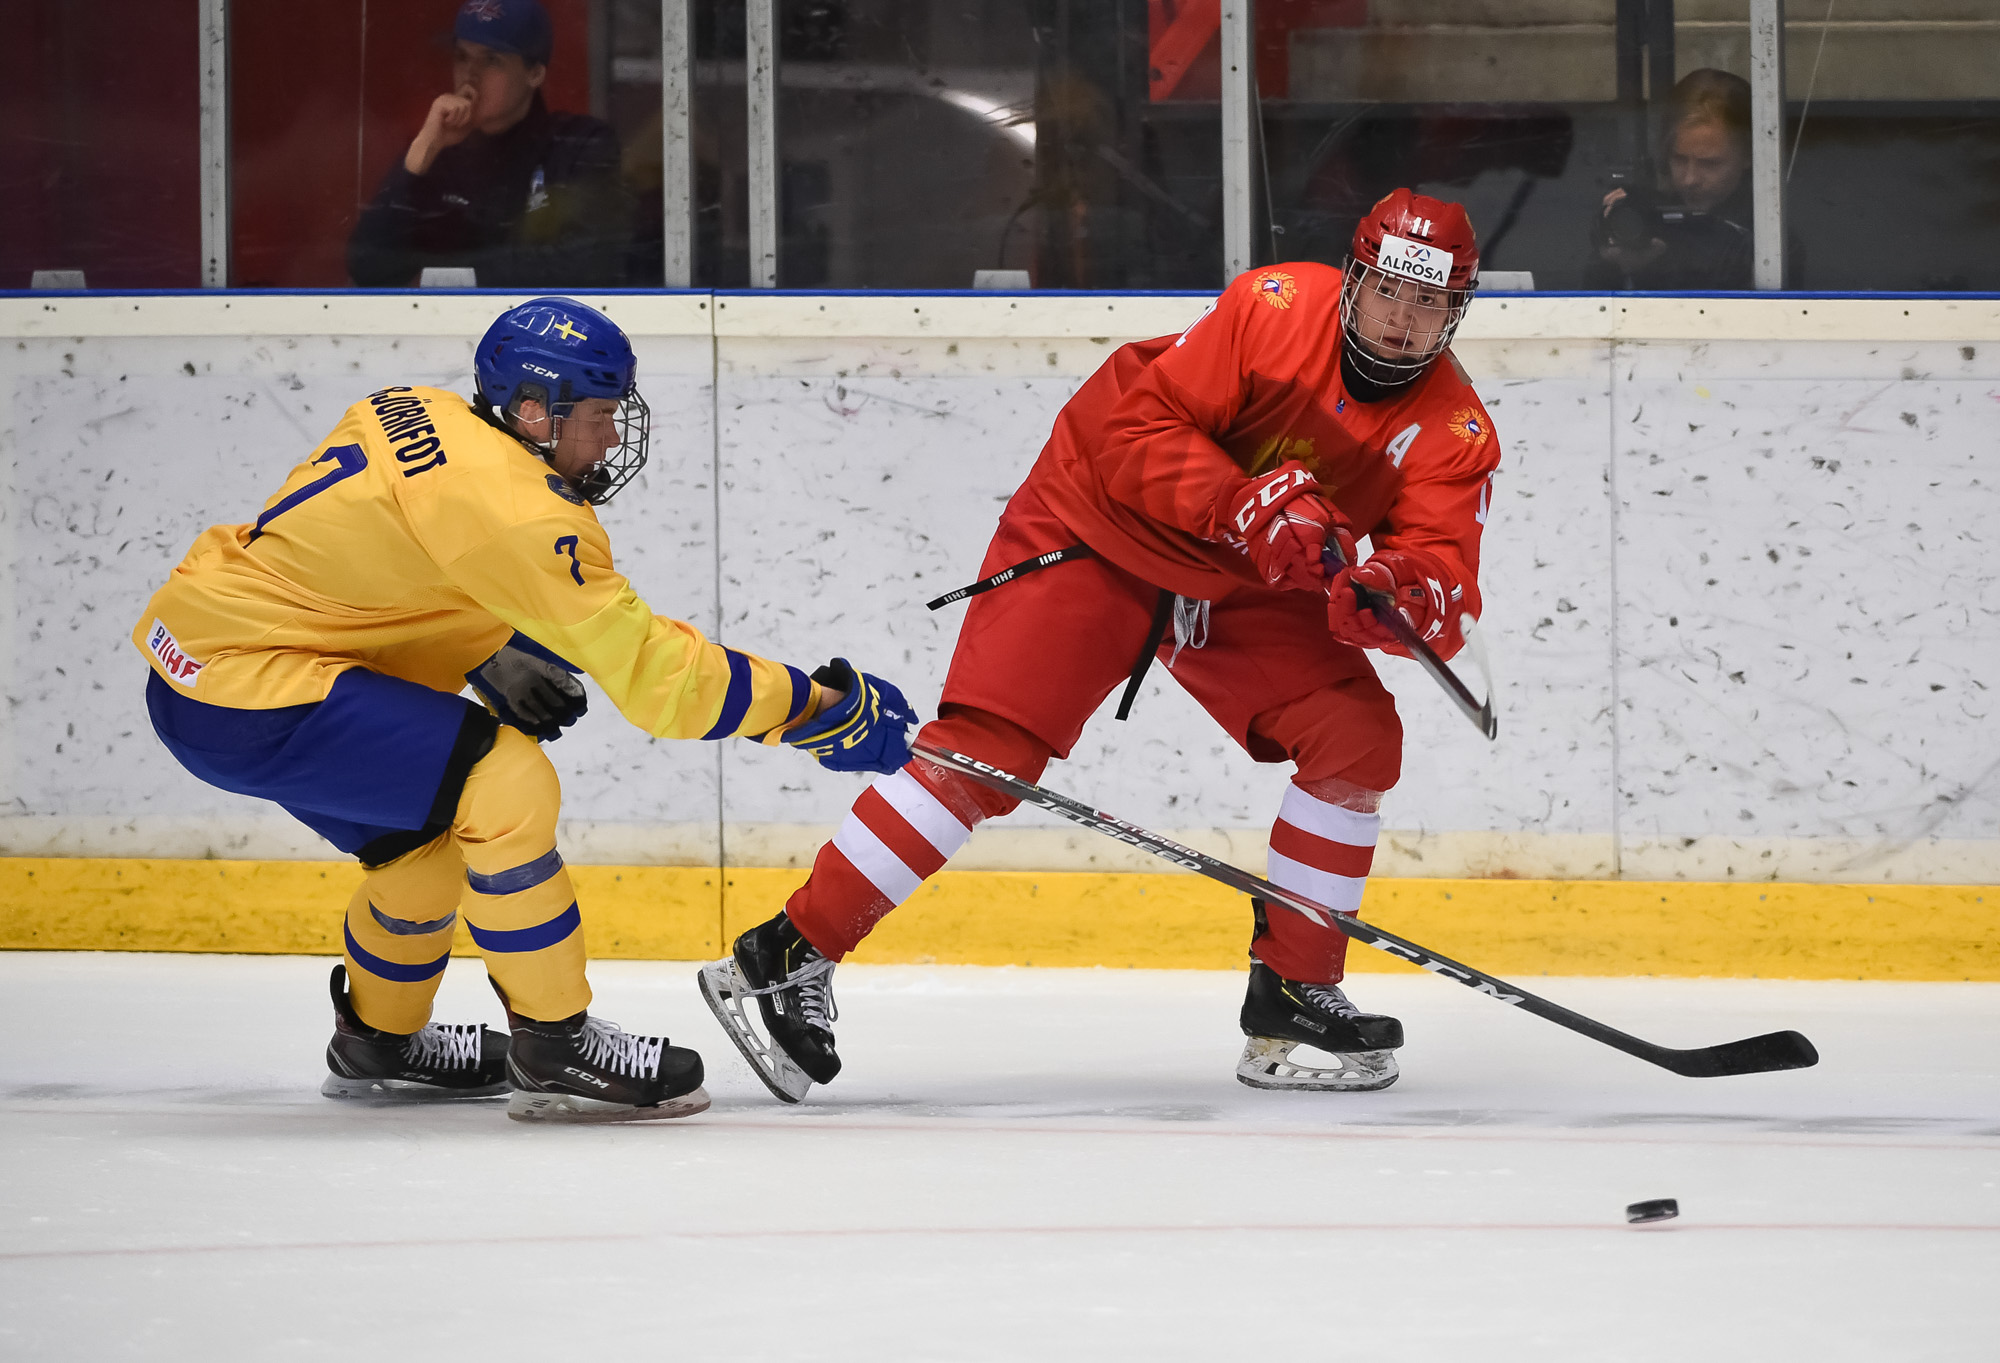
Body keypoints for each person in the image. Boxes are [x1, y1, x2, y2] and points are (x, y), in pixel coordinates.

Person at [699, 189, 1502, 1101]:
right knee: (985, 754)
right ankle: (789, 952)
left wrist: (1397, 592)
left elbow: (1443, 570)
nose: (1401, 319)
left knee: (1357, 736)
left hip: (1241, 575)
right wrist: (1240, 502)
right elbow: (1135, 433)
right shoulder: (1272, 308)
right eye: (1389, 290)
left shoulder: (1456, 432)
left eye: (1428, 301)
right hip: (1099, 521)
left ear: (1456, 312)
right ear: (1354, 279)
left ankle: (1294, 987)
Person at [133, 296, 915, 1123]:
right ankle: (555, 1042)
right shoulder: (523, 513)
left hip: (198, 667)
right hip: (254, 690)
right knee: (507, 783)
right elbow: (661, 679)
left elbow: (373, 555)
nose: (610, 438)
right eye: (599, 415)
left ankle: (378, 1040)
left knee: (422, 850)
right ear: (534, 412)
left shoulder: (409, 405)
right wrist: (813, 706)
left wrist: (482, 644)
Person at [348, 0, 630, 288]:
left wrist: (453, 273)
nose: (470, 74)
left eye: (491, 60)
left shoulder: (578, 144)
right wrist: (421, 152)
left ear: (535, 73)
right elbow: (367, 267)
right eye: (462, 57)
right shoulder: (438, 149)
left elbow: (589, 264)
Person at [1589, 68, 1754, 291]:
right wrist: (1615, 264)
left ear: (1749, 156)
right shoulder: (1647, 220)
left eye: (1710, 163)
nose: (1689, 179)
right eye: (1679, 159)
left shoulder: (1772, 241)